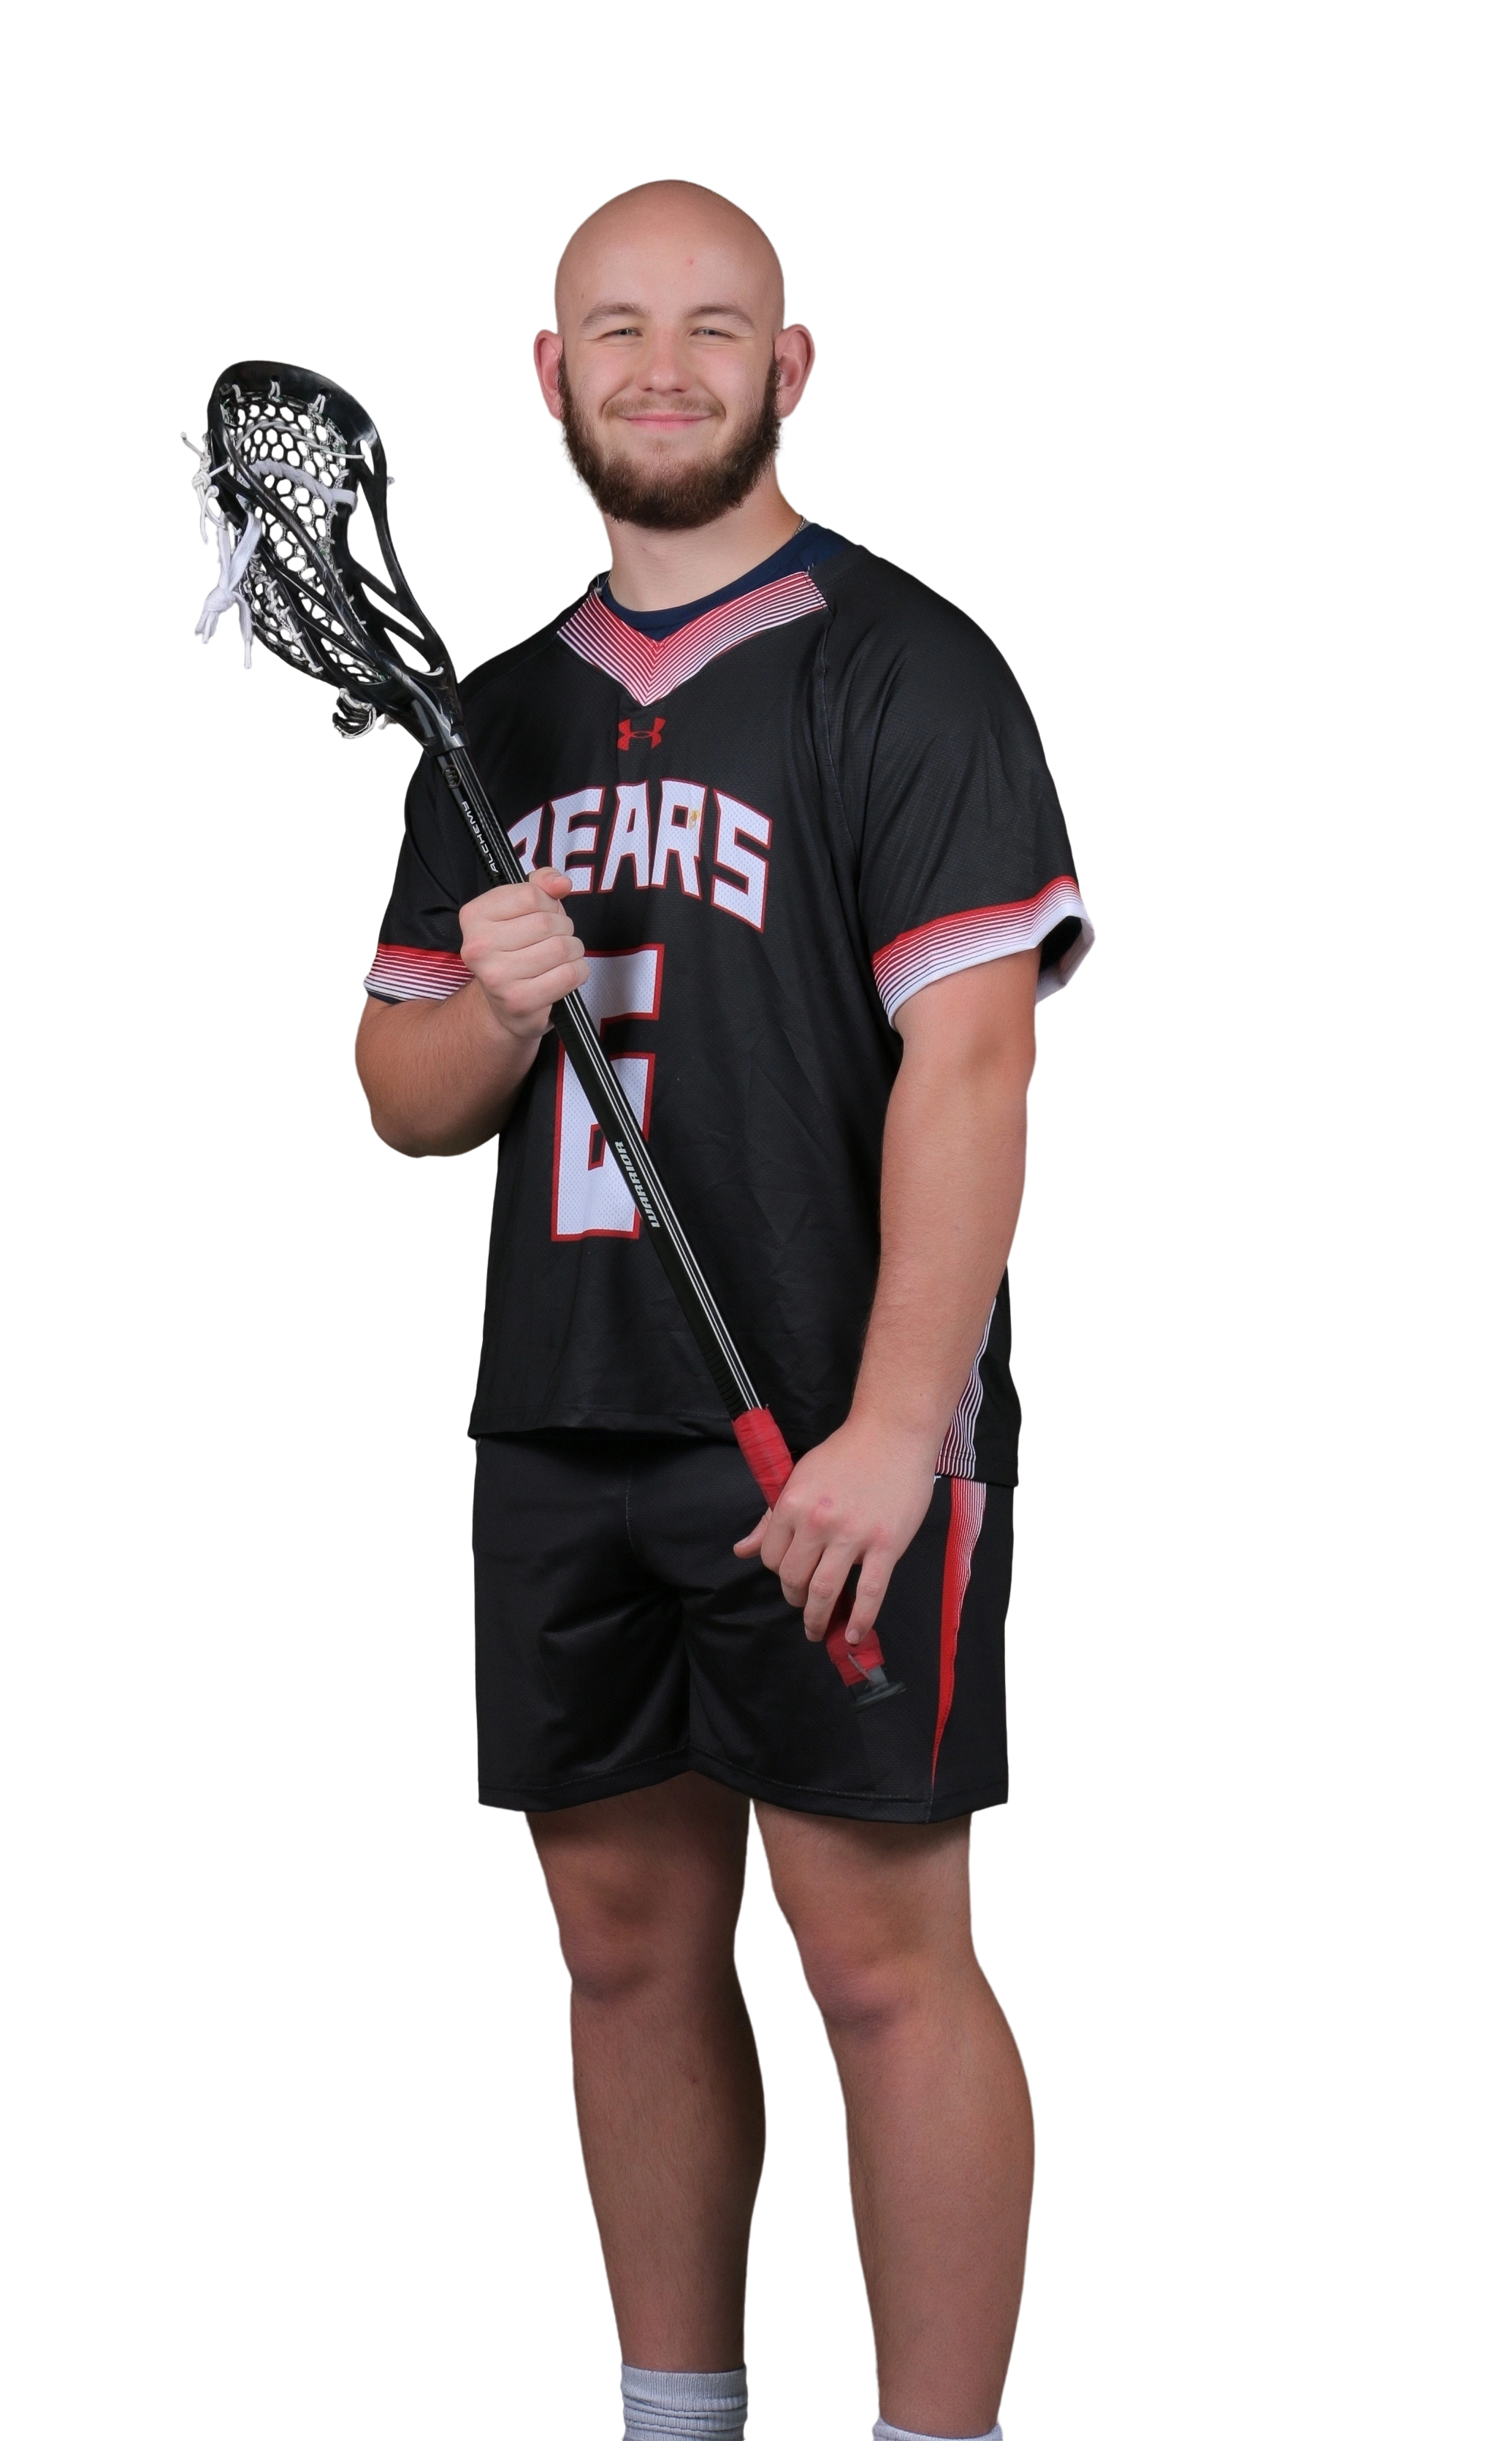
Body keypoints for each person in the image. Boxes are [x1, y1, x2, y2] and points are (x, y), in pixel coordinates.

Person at [351, 175, 1096, 2441]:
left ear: (793, 369)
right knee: (623, 1949)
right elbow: (402, 1098)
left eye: (711, 325)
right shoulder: (491, 717)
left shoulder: (907, 665)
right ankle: (674, 2417)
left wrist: (894, 1426)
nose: (660, 366)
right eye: (612, 327)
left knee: (881, 1961)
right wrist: (494, 1008)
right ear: (548, 379)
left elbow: (975, 1065)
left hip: (829, 1419)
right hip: (568, 1411)